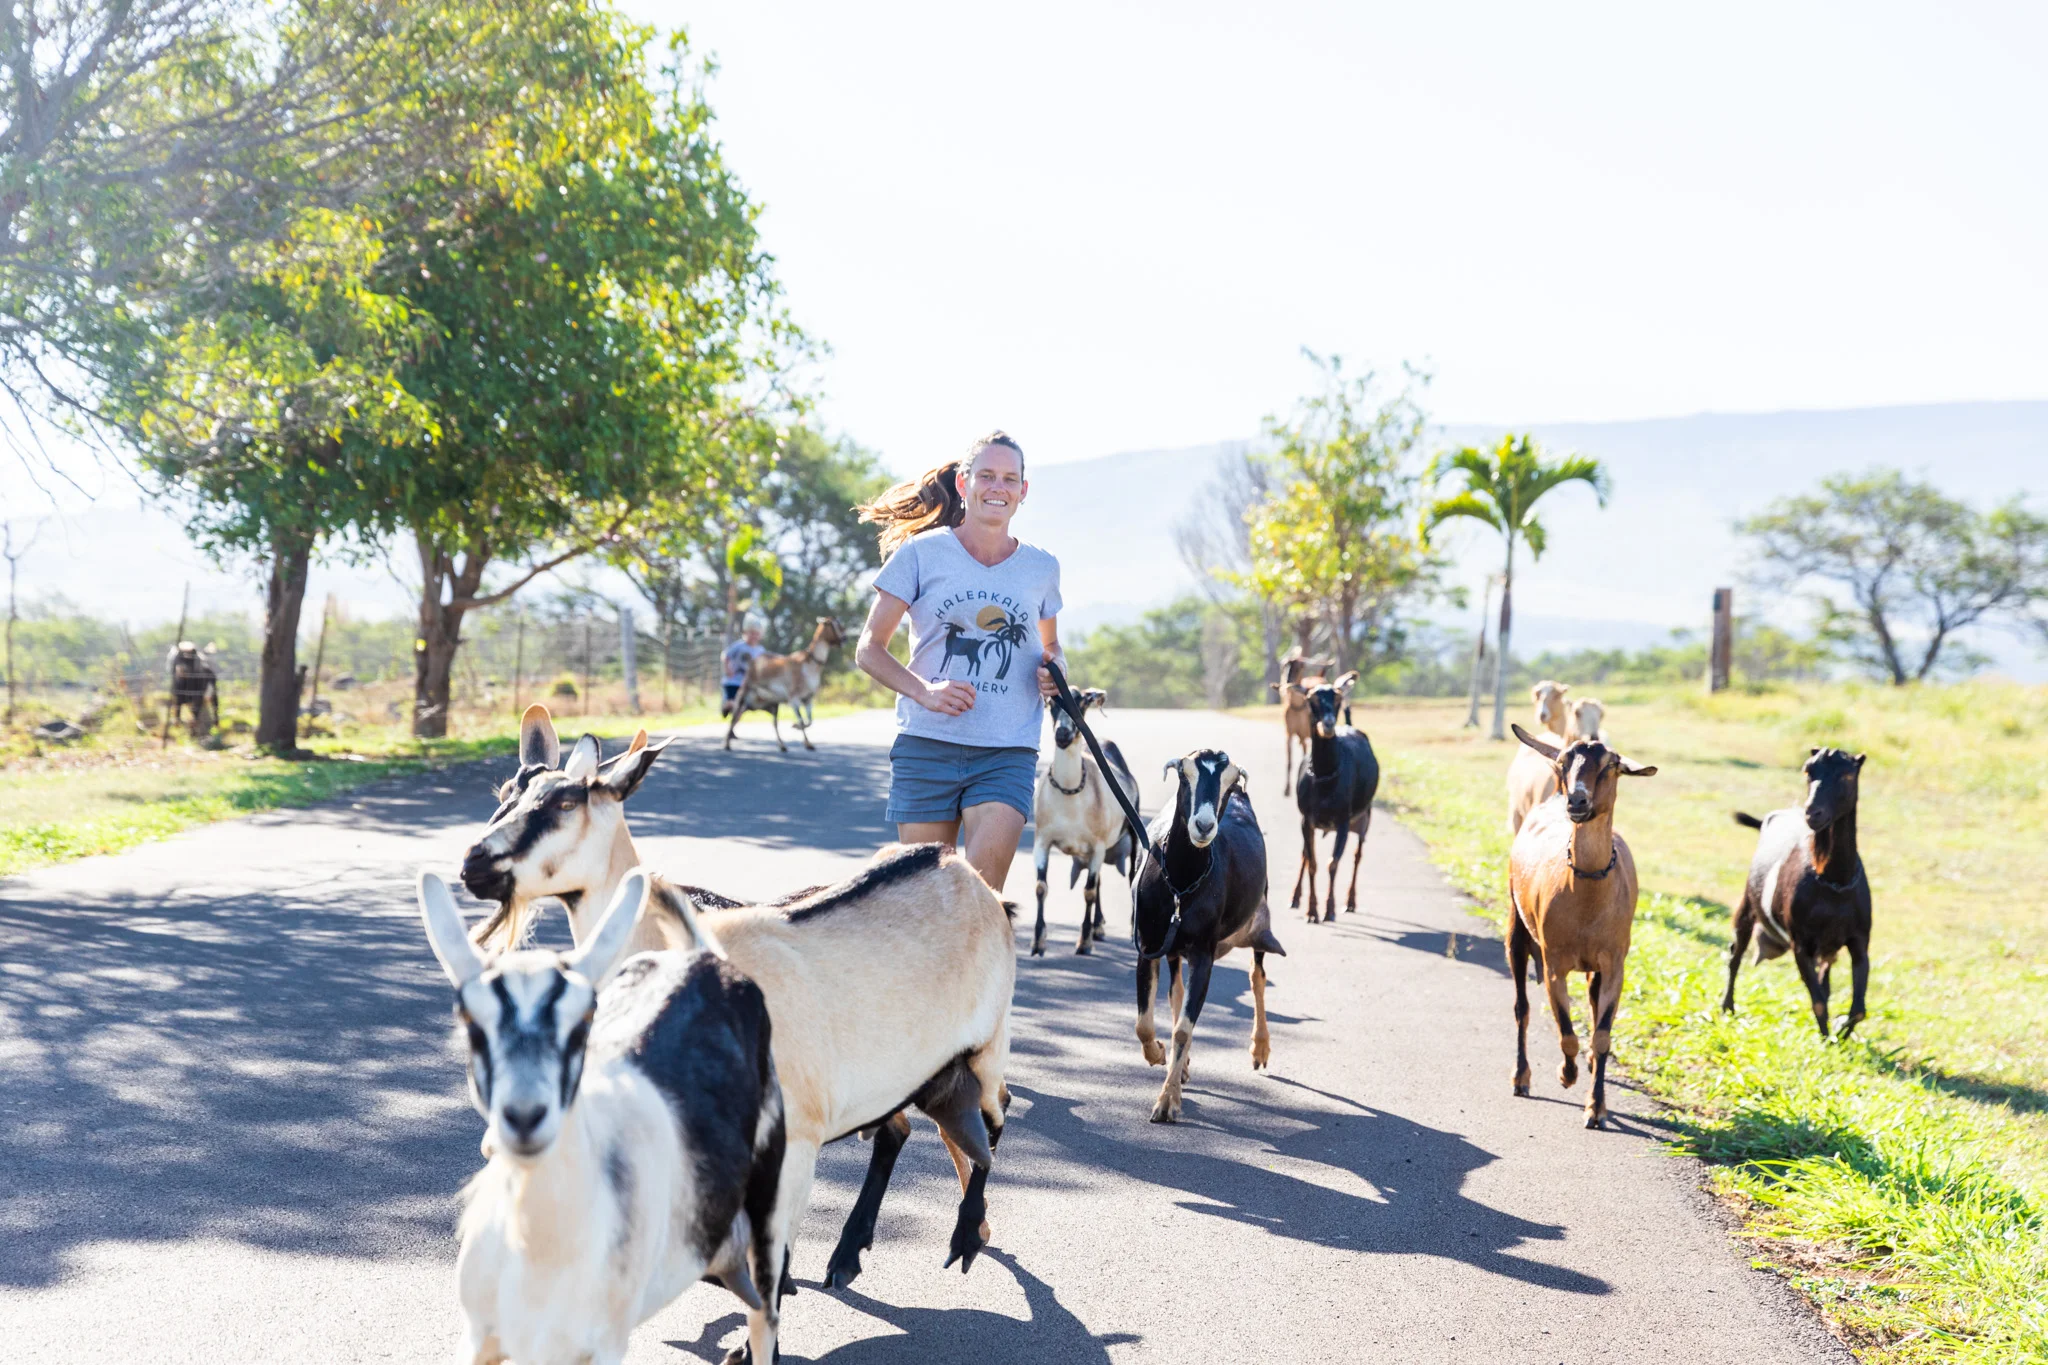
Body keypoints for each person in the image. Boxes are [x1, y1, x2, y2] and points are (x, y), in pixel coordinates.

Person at [855, 431, 1062, 892]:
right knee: (921, 902)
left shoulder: (1041, 567)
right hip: (927, 746)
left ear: (1023, 492)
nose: (998, 487)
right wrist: (923, 692)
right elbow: (869, 647)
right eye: (986, 475)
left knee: (980, 902)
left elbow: (1051, 646)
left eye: (1010, 479)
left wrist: (1055, 670)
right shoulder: (920, 554)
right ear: (965, 482)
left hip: (1007, 749)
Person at [721, 612, 768, 718]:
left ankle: (731, 729)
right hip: (733, 681)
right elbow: (725, 656)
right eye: (751, 633)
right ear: (746, 633)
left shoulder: (760, 650)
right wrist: (728, 669)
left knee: (741, 708)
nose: (754, 636)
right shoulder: (739, 646)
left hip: (747, 684)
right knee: (734, 704)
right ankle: (726, 706)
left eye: (756, 634)